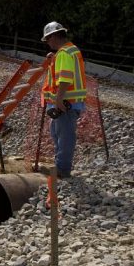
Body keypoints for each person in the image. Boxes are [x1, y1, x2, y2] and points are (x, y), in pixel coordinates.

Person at [40, 21, 87, 179]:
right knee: (57, 133)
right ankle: (60, 165)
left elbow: (65, 78)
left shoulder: (65, 53)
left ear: (54, 36)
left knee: (65, 135)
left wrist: (59, 99)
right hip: (67, 102)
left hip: (66, 103)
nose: (47, 43)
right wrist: (54, 57)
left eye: (47, 39)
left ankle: (62, 169)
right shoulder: (67, 51)